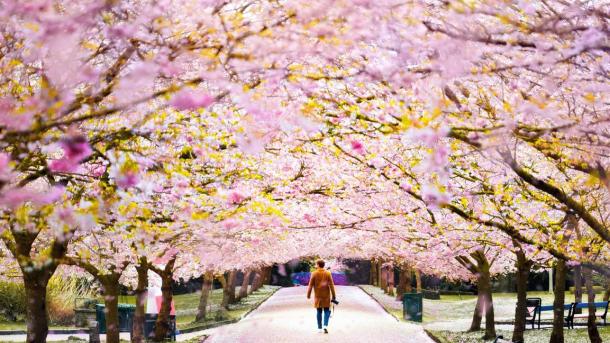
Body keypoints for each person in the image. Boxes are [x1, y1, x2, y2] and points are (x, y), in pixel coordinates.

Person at [306, 259, 337, 334]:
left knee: (319, 311)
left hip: (318, 295)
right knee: (327, 310)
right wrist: (334, 295)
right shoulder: (328, 273)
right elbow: (331, 285)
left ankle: (319, 328)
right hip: (326, 295)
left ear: (318, 265)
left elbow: (310, 285)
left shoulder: (314, 273)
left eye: (316, 264)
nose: (315, 265)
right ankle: (325, 325)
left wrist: (308, 294)